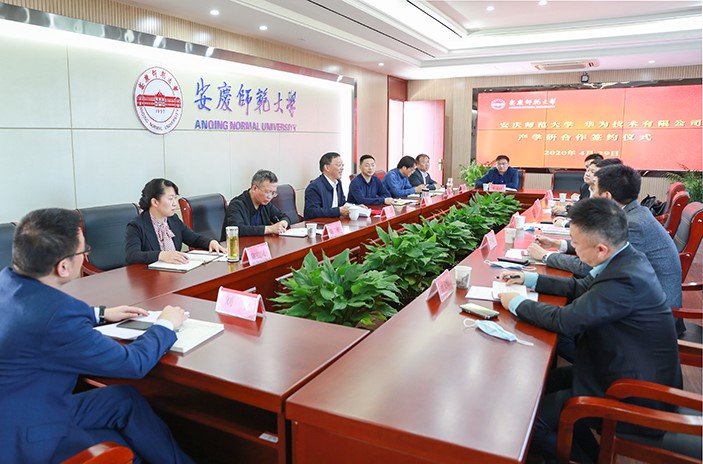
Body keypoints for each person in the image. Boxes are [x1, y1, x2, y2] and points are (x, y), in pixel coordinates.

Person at [0, 208, 194, 463]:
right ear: (63, 266)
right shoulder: (58, 315)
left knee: (123, 399)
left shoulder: (7, 282)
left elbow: (40, 316)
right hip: (28, 437)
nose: (86, 255)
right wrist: (165, 325)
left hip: (21, 408)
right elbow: (132, 363)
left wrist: (101, 314)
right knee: (123, 447)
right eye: (84, 250)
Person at [498, 198, 682, 463]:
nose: (572, 247)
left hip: (633, 393)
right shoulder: (625, 258)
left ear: (601, 249)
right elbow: (580, 287)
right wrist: (530, 278)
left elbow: (565, 320)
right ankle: (579, 445)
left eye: (575, 243)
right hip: (615, 367)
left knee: (527, 421)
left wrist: (515, 302)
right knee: (540, 385)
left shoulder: (625, 279)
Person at [529, 164, 684, 335]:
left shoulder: (633, 225)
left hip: (649, 321)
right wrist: (557, 244)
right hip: (636, 302)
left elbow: (588, 267)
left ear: (606, 196)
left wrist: (546, 257)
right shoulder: (634, 213)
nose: (591, 195)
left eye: (593, 189)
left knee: (559, 326)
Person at [125, 178, 226, 265]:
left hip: (175, 273)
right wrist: (161, 255)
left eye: (175, 198)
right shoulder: (136, 225)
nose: (174, 203)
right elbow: (132, 256)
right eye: (170, 199)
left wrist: (210, 242)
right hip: (150, 277)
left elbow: (193, 239)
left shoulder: (173, 220)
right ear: (155, 202)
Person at [551, 158, 622, 225]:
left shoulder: (607, 193)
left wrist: (565, 223)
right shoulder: (585, 187)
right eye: (587, 170)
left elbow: (595, 221)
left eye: (593, 172)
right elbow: (582, 209)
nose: (587, 174)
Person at [226, 169, 291, 236]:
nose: (270, 197)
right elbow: (237, 230)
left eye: (273, 193)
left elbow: (283, 216)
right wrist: (270, 229)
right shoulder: (236, 205)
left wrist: (283, 223)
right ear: (254, 188)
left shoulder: (265, 203)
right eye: (267, 192)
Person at [304, 152, 350, 220]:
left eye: (342, 165)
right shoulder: (314, 187)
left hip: (335, 222)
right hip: (320, 224)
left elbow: (342, 203)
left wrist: (356, 207)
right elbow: (312, 212)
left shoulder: (338, 183)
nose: (342, 168)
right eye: (339, 165)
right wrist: (338, 211)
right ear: (327, 168)